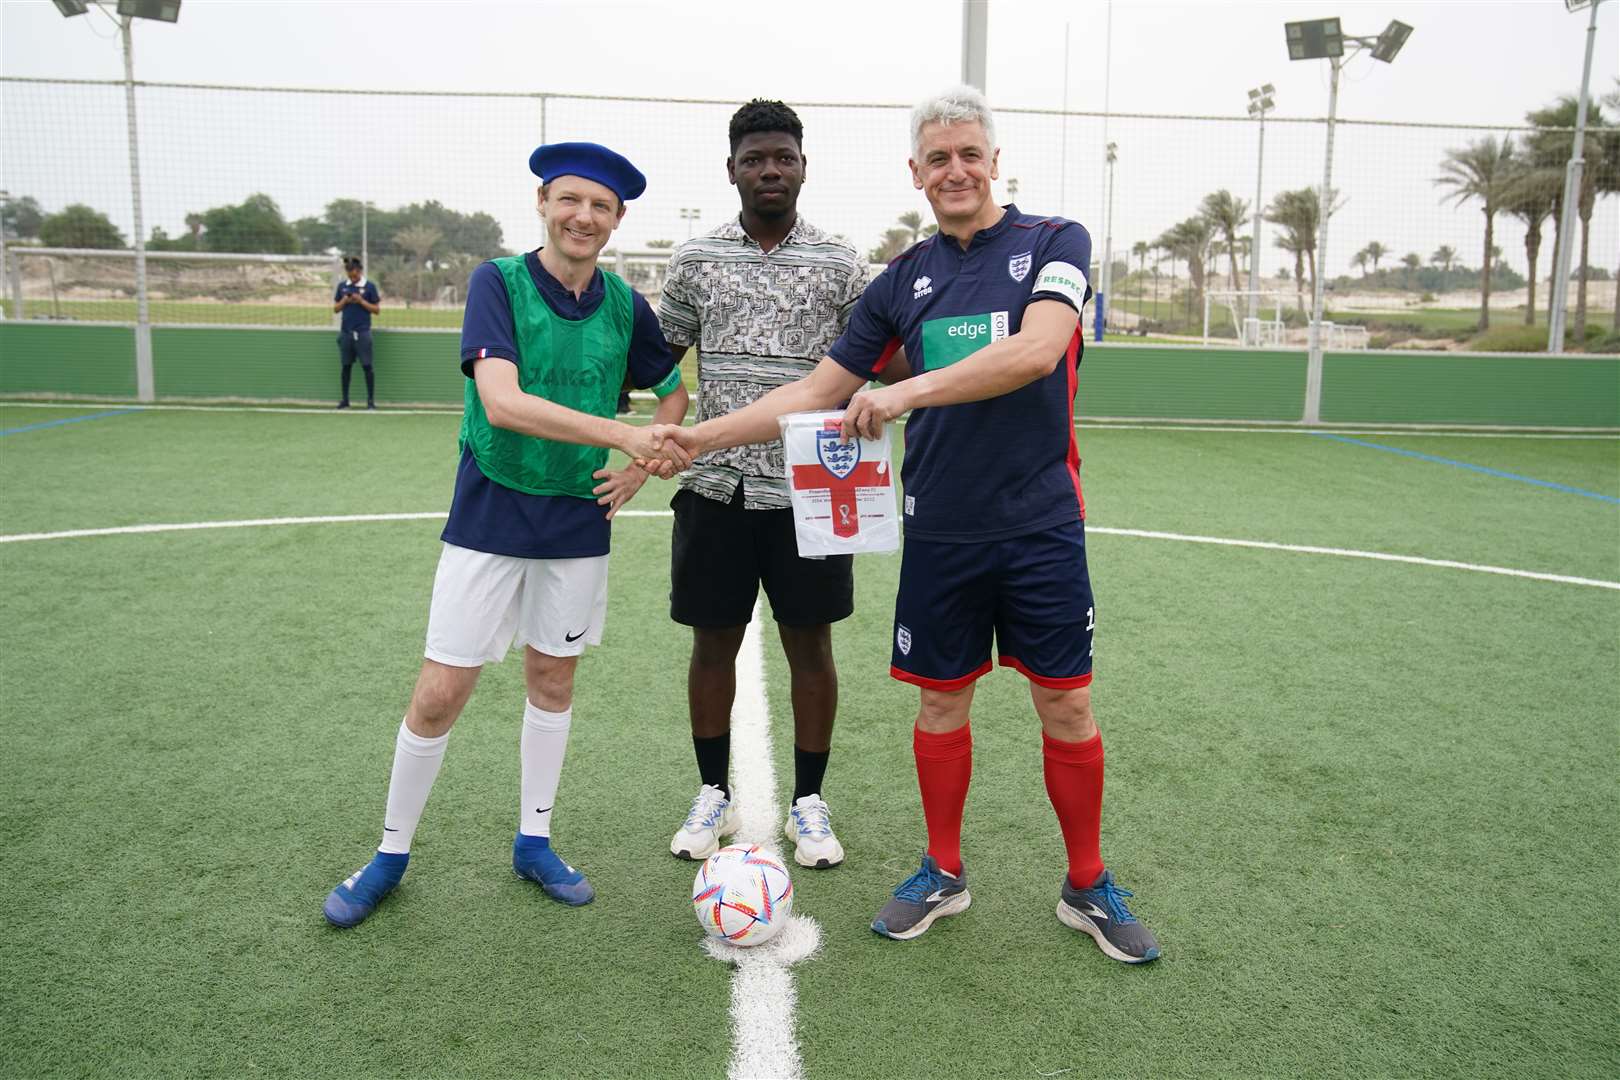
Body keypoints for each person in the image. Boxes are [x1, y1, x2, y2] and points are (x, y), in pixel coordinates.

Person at [652, 85, 1160, 963]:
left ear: (994, 164)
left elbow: (1037, 351)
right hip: (939, 530)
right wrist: (696, 435)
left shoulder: (1055, 244)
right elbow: (816, 391)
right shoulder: (902, 280)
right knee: (939, 701)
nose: (955, 170)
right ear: (916, 174)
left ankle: (1087, 883)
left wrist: (901, 392)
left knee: (1066, 704)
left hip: (1039, 525)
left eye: (970, 155)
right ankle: (943, 871)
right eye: (937, 159)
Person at [322, 141, 691, 928]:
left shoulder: (626, 304)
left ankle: (534, 840)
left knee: (553, 681)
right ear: (543, 205)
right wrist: (620, 436)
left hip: (576, 520)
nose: (582, 216)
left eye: (600, 207)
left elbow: (673, 395)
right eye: (569, 200)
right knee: (439, 692)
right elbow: (502, 402)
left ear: (617, 219)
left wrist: (634, 471)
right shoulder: (499, 281)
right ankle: (388, 853)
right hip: (490, 509)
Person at [658, 99, 880, 870]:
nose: (770, 170)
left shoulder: (843, 264)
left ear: (802, 166)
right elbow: (661, 360)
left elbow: (875, 365)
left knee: (810, 646)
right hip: (715, 487)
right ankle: (712, 792)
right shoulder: (694, 260)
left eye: (783, 156)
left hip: (813, 492)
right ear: (732, 170)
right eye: (755, 159)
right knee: (712, 643)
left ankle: (809, 802)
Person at [333, 256, 381, 409]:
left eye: (355, 275)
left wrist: (361, 301)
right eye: (350, 275)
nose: (352, 278)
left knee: (367, 366)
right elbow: (336, 309)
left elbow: (376, 310)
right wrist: (345, 301)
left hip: (363, 333)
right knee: (346, 366)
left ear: (360, 271)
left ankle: (370, 401)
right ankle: (345, 400)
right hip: (346, 332)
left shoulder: (370, 287)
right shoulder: (342, 287)